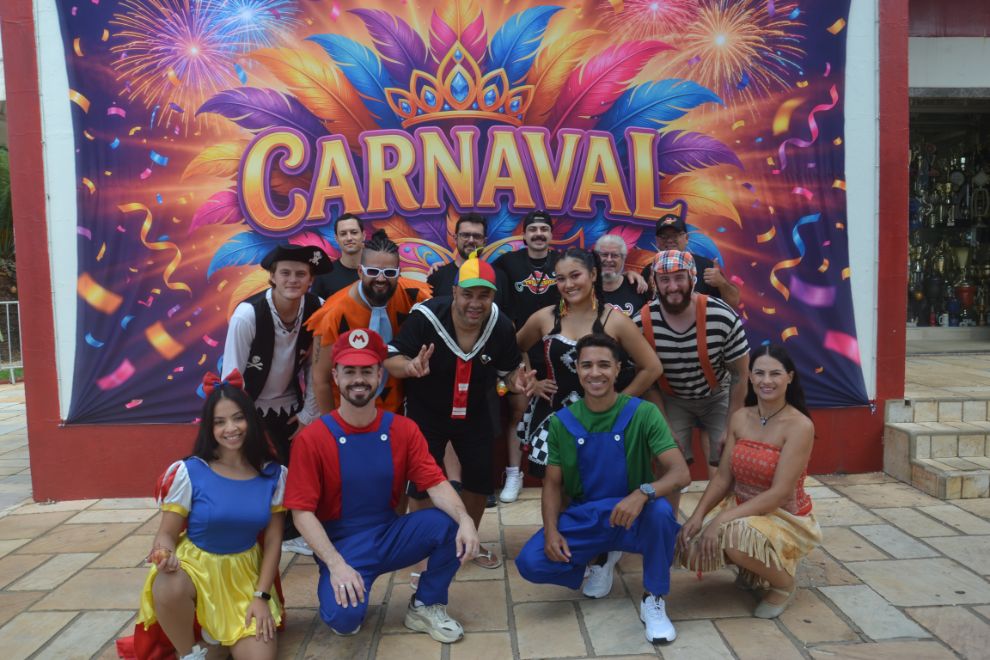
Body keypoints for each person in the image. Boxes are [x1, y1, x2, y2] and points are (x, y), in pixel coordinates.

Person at [285, 329, 480, 642]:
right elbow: (301, 513)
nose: (358, 379)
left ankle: (426, 604)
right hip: (342, 546)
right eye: (349, 371)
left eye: (367, 371)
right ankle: (348, 588)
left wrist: (465, 518)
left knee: (450, 524)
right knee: (344, 620)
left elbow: (435, 483)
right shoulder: (313, 439)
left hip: (389, 534)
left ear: (380, 375)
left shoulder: (403, 429)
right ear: (335, 376)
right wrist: (336, 564)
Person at [515, 334, 689, 643]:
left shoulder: (643, 413)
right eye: (587, 365)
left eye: (604, 365)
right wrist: (551, 531)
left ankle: (653, 597)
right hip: (588, 517)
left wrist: (642, 493)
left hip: (635, 516)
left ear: (618, 368)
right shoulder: (561, 422)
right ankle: (599, 558)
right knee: (531, 562)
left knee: (661, 513)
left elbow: (680, 472)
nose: (595, 373)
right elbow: (552, 484)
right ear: (577, 370)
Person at [386, 253, 535, 569]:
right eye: (468, 294)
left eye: (484, 295)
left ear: (493, 296)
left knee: (480, 480)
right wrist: (409, 367)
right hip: (427, 411)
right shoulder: (426, 317)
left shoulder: (500, 326)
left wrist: (516, 381)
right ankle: (425, 548)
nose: (475, 303)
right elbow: (390, 358)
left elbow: (509, 371)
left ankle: (470, 542)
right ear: (454, 291)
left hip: (475, 412)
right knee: (421, 482)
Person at [134, 373, 286, 660]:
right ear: (209, 427)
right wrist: (164, 553)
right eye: (220, 422)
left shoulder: (273, 475)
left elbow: (274, 542)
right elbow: (166, 533)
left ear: (251, 420)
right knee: (168, 584)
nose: (231, 428)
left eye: (238, 418)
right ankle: (189, 653)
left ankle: (216, 639)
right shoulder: (189, 472)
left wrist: (261, 596)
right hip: (195, 568)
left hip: (244, 577)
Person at [675, 343, 822, 619]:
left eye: (775, 373)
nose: (767, 381)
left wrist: (721, 520)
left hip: (782, 515)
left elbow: (780, 493)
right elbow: (723, 477)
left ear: (790, 377)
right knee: (689, 549)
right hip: (742, 507)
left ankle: (783, 584)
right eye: (760, 373)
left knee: (734, 536)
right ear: (751, 377)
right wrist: (697, 516)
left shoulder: (800, 425)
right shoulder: (740, 417)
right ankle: (752, 566)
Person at [222, 243, 329, 556]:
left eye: (301, 274)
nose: (293, 280)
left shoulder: (318, 309)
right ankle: (245, 536)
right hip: (250, 406)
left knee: (296, 471)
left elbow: (316, 367)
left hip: (291, 406)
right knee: (251, 472)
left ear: (310, 279)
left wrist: (309, 415)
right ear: (272, 276)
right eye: (285, 273)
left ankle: (293, 533)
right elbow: (232, 377)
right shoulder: (247, 315)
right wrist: (240, 424)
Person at [516, 247, 662, 477]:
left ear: (593, 275)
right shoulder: (544, 318)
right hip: (555, 421)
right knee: (556, 488)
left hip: (604, 423)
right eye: (561, 278)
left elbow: (652, 367)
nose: (568, 285)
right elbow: (515, 347)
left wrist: (619, 403)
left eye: (575, 275)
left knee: (602, 486)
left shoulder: (615, 321)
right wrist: (530, 380)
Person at [634, 250, 750, 477]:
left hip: (718, 395)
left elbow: (740, 374)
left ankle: (724, 501)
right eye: (665, 279)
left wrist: (731, 425)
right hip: (672, 398)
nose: (672, 287)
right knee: (667, 461)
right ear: (655, 282)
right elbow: (647, 382)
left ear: (692, 278)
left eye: (679, 278)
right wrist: (664, 426)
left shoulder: (721, 316)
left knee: (728, 460)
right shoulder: (641, 323)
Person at [306, 229, 431, 415]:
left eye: (389, 272)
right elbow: (321, 380)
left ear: (399, 273)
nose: (381, 279)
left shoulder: (416, 297)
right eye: (372, 271)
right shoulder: (333, 314)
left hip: (398, 412)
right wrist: (332, 425)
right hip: (347, 413)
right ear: (360, 272)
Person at [491, 210, 561, 503]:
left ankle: (562, 473)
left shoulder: (563, 262)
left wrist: (631, 274)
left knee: (563, 412)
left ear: (551, 235)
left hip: (557, 349)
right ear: (524, 235)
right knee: (518, 410)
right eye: (533, 229)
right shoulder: (507, 263)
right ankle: (513, 473)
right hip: (519, 348)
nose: (539, 234)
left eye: (544, 229)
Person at [643, 213, 740, 307]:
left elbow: (733, 303)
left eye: (675, 235)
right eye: (664, 237)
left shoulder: (706, 267)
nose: (669, 240)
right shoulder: (649, 271)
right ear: (657, 241)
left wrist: (722, 283)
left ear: (686, 238)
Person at [427, 211, 509, 310]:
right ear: (455, 239)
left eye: (477, 236)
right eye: (465, 235)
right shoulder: (437, 275)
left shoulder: (499, 277)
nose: (471, 240)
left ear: (484, 242)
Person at [311, 213, 365, 299]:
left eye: (354, 232)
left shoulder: (376, 272)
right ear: (336, 239)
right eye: (343, 234)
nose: (349, 238)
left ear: (363, 235)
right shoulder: (323, 275)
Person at [594, 234, 648, 317]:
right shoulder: (585, 288)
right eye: (604, 255)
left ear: (623, 259)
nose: (609, 259)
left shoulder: (638, 287)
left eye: (615, 255)